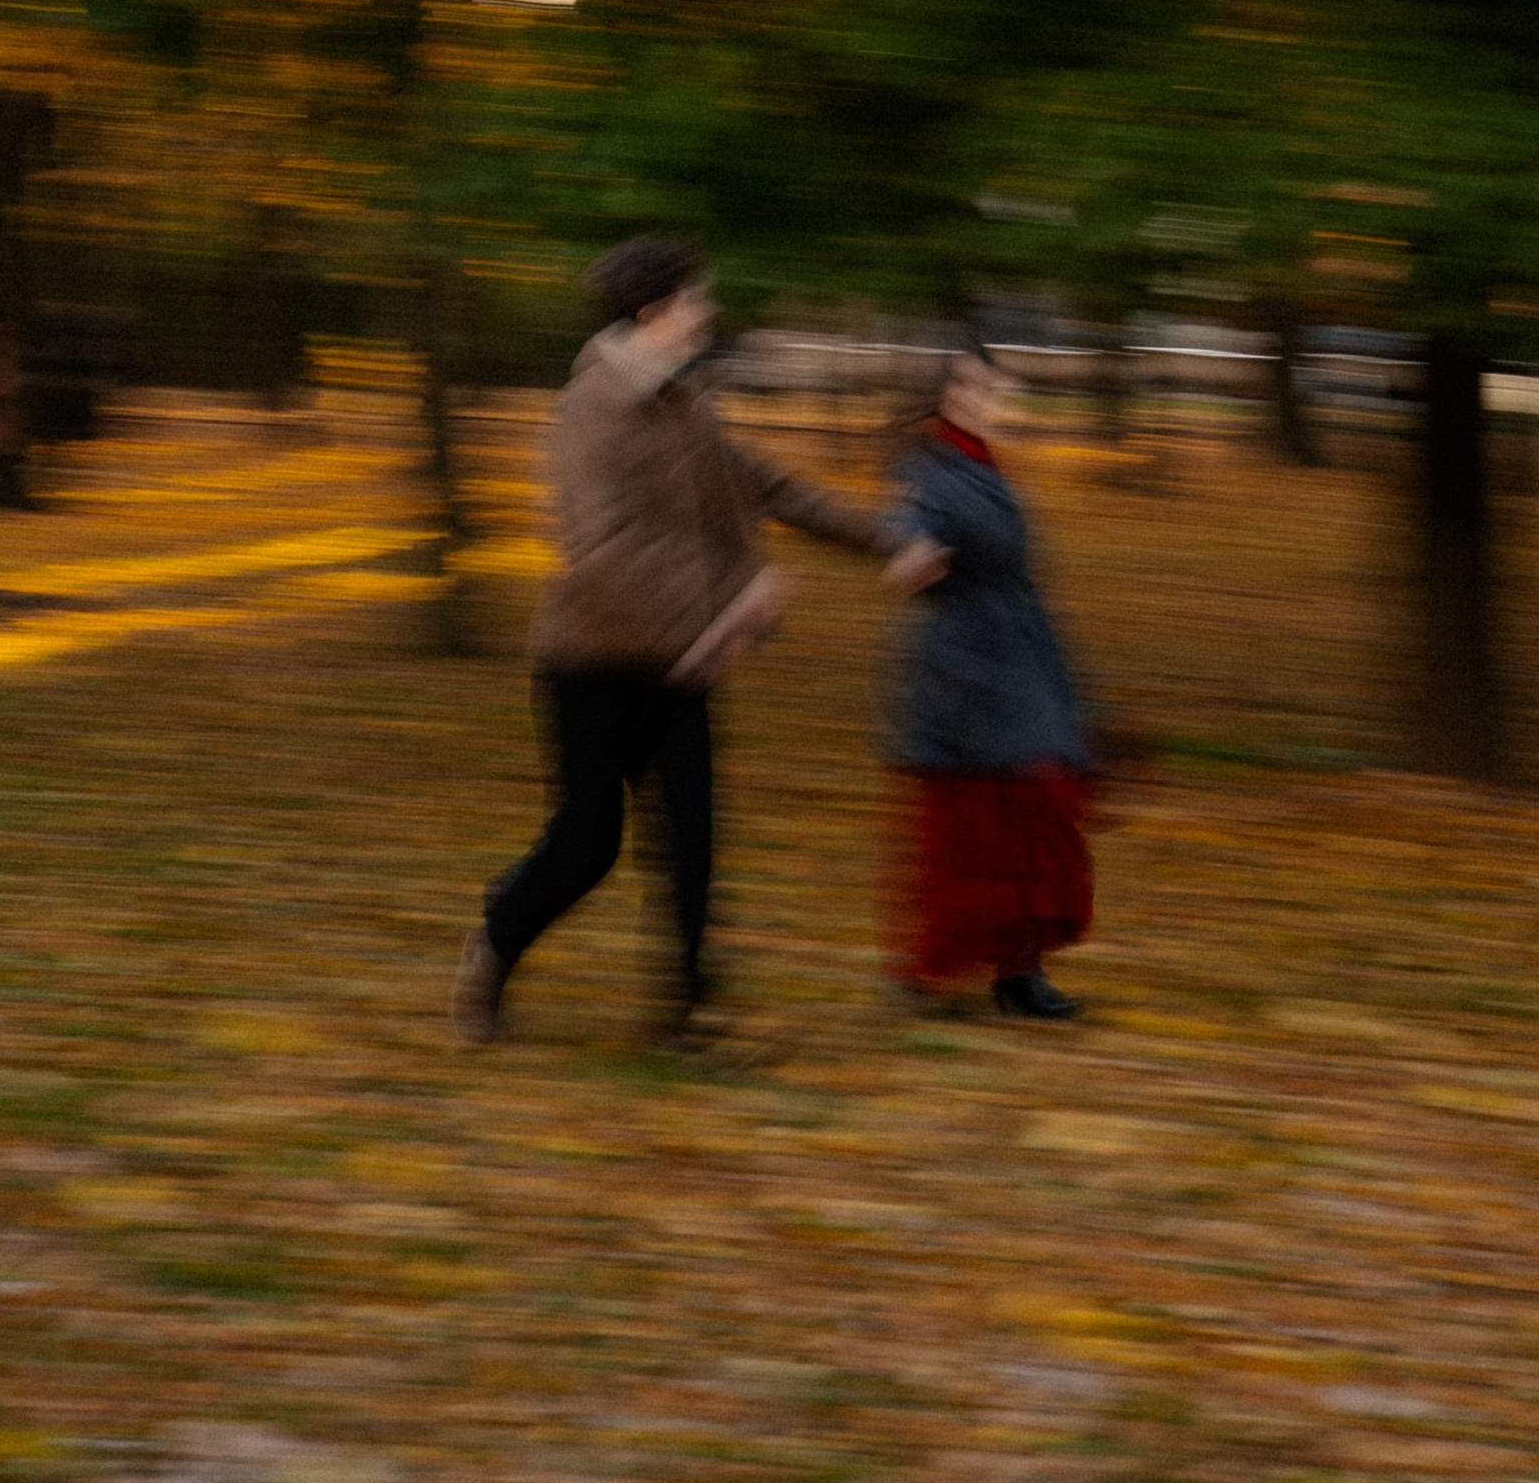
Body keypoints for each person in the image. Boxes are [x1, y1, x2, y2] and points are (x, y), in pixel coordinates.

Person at [452, 236, 936, 1048]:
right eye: (698, 299)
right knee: (587, 845)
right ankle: (497, 943)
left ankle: (685, 1020)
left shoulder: (685, 403)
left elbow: (768, 486)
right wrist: (728, 604)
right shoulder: (591, 409)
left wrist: (893, 541)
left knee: (693, 841)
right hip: (595, 664)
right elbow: (600, 546)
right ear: (656, 312)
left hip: (683, 663)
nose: (709, 311)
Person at [884, 338, 1099, 1021]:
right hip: (967, 677)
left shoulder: (986, 466)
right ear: (947, 396)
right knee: (977, 828)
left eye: (997, 389)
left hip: (1020, 663)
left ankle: (1018, 971)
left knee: (1038, 814)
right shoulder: (933, 471)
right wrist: (910, 554)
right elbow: (911, 524)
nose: (991, 401)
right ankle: (924, 974)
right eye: (975, 389)